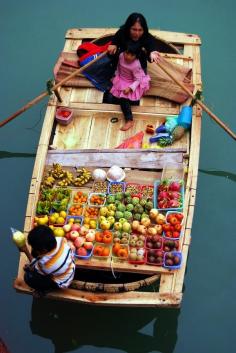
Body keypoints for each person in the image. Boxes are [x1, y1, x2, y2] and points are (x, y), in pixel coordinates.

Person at [23, 225, 75, 296]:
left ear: (44, 250)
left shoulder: (46, 264)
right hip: (69, 269)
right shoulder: (61, 239)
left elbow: (34, 269)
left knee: (28, 277)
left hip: (62, 283)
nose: (33, 248)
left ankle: (44, 290)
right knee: (35, 256)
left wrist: (25, 250)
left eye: (35, 248)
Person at [109, 44, 151, 131]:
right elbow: (119, 67)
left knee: (123, 99)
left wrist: (130, 88)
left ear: (136, 56)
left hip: (132, 82)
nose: (128, 57)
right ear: (124, 52)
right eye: (127, 53)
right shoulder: (121, 56)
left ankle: (129, 120)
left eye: (132, 55)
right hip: (121, 79)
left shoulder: (136, 65)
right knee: (111, 94)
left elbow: (138, 79)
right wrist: (116, 77)